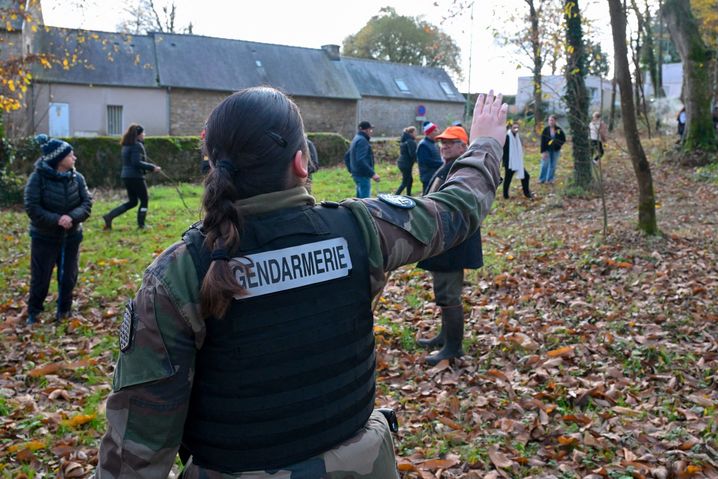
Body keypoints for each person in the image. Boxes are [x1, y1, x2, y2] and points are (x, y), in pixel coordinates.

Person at [93, 86, 507, 478]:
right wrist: (486, 143)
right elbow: (456, 210)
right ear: (300, 162)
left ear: (213, 161)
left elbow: (137, 450)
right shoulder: (362, 231)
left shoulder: (179, 273)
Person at [415, 125, 483, 366]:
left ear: (464, 146)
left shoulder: (463, 170)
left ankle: (453, 348)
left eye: (451, 142)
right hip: (442, 239)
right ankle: (444, 336)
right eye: (442, 142)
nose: (444, 146)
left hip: (453, 242)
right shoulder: (448, 167)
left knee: (449, 293)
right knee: (442, 290)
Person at [23, 135, 92, 325]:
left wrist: (72, 217)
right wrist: (57, 220)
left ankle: (64, 310)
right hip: (44, 237)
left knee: (68, 276)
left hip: (71, 237)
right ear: (59, 159)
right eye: (71, 155)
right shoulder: (37, 179)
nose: (74, 158)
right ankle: (34, 311)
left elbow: (87, 203)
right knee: (41, 277)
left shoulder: (77, 178)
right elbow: (32, 207)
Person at [102, 124, 161, 229]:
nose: (144, 134)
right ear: (138, 134)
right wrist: (153, 168)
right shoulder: (137, 145)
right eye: (143, 133)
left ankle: (109, 216)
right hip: (135, 177)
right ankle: (141, 225)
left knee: (133, 202)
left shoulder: (126, 145)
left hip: (126, 176)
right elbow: (136, 163)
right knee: (144, 200)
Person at [344, 121, 379, 198]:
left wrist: (352, 170)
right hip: (363, 174)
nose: (371, 132)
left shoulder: (356, 139)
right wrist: (372, 173)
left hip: (357, 174)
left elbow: (346, 156)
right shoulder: (362, 141)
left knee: (359, 201)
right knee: (365, 202)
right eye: (370, 130)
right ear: (366, 130)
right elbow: (361, 159)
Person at [502, 121, 534, 199]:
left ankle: (527, 193)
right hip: (509, 162)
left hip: (517, 161)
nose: (516, 129)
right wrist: (505, 162)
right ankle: (505, 195)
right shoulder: (507, 136)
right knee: (507, 179)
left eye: (517, 128)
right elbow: (503, 150)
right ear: (510, 128)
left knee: (526, 176)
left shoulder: (517, 136)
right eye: (514, 128)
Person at [538, 115, 566, 184]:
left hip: (555, 150)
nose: (550, 121)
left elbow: (563, 139)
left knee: (553, 165)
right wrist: (543, 152)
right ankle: (542, 179)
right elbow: (542, 141)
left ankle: (550, 179)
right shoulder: (545, 130)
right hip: (547, 150)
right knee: (544, 164)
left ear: (555, 121)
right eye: (549, 120)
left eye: (552, 120)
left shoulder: (558, 130)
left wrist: (558, 145)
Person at [417, 121, 442, 193]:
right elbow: (427, 161)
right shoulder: (423, 145)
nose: (438, 132)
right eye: (435, 130)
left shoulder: (433, 143)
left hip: (434, 175)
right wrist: (443, 164)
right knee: (427, 196)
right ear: (430, 132)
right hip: (428, 177)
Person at [395, 126, 418, 196]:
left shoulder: (405, 140)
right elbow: (412, 154)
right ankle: (395, 196)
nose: (416, 134)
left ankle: (408, 195)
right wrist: (419, 161)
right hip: (406, 164)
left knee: (410, 180)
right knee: (405, 182)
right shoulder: (410, 141)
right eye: (415, 132)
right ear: (411, 133)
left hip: (402, 163)